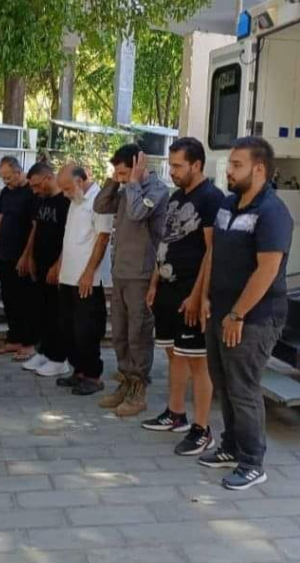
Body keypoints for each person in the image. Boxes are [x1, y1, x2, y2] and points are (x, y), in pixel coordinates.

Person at [198, 136, 293, 490]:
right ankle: (231, 446)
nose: (229, 171)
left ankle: (253, 463)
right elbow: (214, 253)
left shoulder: (272, 212)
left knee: (243, 388)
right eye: (230, 164)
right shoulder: (228, 205)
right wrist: (205, 297)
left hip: (253, 318)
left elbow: (267, 270)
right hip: (220, 311)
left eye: (237, 165)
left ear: (259, 169)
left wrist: (238, 314)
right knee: (223, 383)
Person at [141, 137, 223, 456]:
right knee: (175, 354)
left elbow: (212, 251)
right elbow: (165, 243)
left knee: (197, 362)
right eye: (171, 165)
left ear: (196, 165)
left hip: (191, 293)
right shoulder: (176, 197)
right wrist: (154, 284)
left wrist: (198, 295)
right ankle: (175, 413)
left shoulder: (211, 199)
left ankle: (202, 429)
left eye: (178, 166)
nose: (172, 171)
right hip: (167, 289)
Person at [94, 144, 169, 417]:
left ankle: (139, 389)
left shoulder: (157, 190)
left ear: (139, 166)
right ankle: (125, 381)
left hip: (141, 274)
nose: (122, 178)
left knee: (138, 334)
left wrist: (134, 183)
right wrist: (114, 181)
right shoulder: (126, 189)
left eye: (124, 172)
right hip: (121, 272)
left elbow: (138, 213)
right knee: (120, 333)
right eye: (119, 174)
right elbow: (100, 205)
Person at [56, 164, 113, 396]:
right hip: (68, 276)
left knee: (87, 329)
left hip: (88, 280)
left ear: (80, 181)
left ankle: (93, 376)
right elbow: (69, 236)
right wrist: (59, 265)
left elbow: (103, 238)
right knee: (69, 327)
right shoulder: (75, 201)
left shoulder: (100, 201)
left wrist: (89, 272)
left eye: (67, 188)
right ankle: (78, 371)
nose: (65, 194)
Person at [19, 162, 72, 377]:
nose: (34, 190)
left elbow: (69, 236)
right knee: (41, 311)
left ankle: (59, 358)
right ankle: (44, 351)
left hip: (56, 267)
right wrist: (30, 256)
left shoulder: (65, 202)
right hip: (40, 264)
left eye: (36, 185)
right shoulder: (43, 200)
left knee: (56, 313)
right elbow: (37, 229)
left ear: (48, 178)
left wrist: (58, 264)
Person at [0, 156, 37, 361]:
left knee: (25, 300)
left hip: (23, 255)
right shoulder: (5, 193)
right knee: (9, 298)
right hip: (6, 254)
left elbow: (35, 227)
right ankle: (14, 338)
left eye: (8, 177)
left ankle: (29, 342)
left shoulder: (31, 192)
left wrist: (26, 256)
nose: (6, 182)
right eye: (2, 178)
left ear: (19, 172)